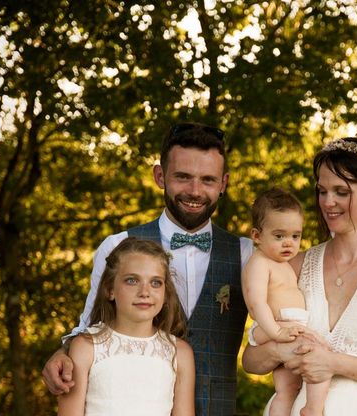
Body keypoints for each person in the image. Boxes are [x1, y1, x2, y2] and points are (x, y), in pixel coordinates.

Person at [44, 123, 254, 416]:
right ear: (160, 176)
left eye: (208, 180)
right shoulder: (119, 245)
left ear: (224, 184)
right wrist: (61, 353)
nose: (195, 191)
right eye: (182, 177)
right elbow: (90, 324)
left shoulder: (247, 253)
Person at [242, 137, 357, 416]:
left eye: (342, 191)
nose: (328, 202)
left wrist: (332, 363)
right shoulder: (295, 264)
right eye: (322, 191)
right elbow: (251, 360)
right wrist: (281, 352)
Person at [57, 237, 195, 416]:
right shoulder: (86, 347)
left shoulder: (180, 353)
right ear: (110, 289)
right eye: (132, 280)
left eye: (155, 283)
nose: (145, 292)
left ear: (166, 293)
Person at [242, 188, 329, 416]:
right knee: (321, 357)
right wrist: (277, 332)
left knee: (287, 389)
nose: (288, 243)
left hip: (289, 326)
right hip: (276, 326)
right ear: (257, 236)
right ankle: (313, 408)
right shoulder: (260, 263)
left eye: (295, 236)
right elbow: (256, 304)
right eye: (279, 236)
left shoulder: (285, 263)